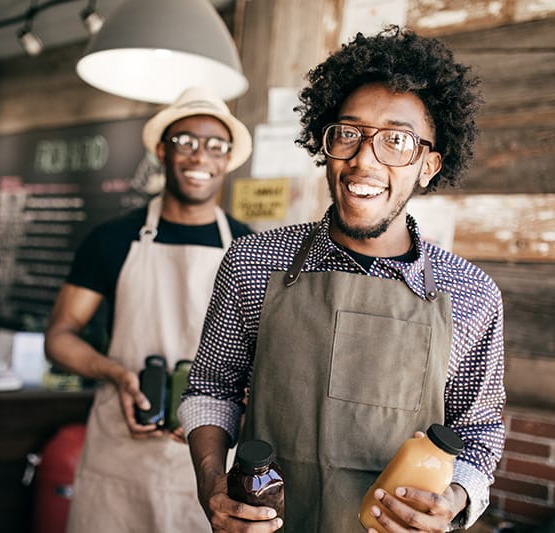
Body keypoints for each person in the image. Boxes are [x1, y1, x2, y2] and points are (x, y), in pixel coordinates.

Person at [179, 26, 506, 533]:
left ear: (428, 165)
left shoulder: (471, 294)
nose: (365, 159)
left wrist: (457, 500)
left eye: (396, 141)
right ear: (325, 143)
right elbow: (211, 388)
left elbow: (478, 430)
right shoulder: (252, 261)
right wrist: (211, 486)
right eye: (349, 133)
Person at [44, 86, 254, 532]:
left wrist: (228, 403)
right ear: (162, 150)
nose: (201, 156)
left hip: (209, 459)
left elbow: (267, 355)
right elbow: (59, 337)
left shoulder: (249, 249)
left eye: (216, 146)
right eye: (186, 142)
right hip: (121, 454)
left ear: (227, 160)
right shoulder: (113, 239)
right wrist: (116, 374)